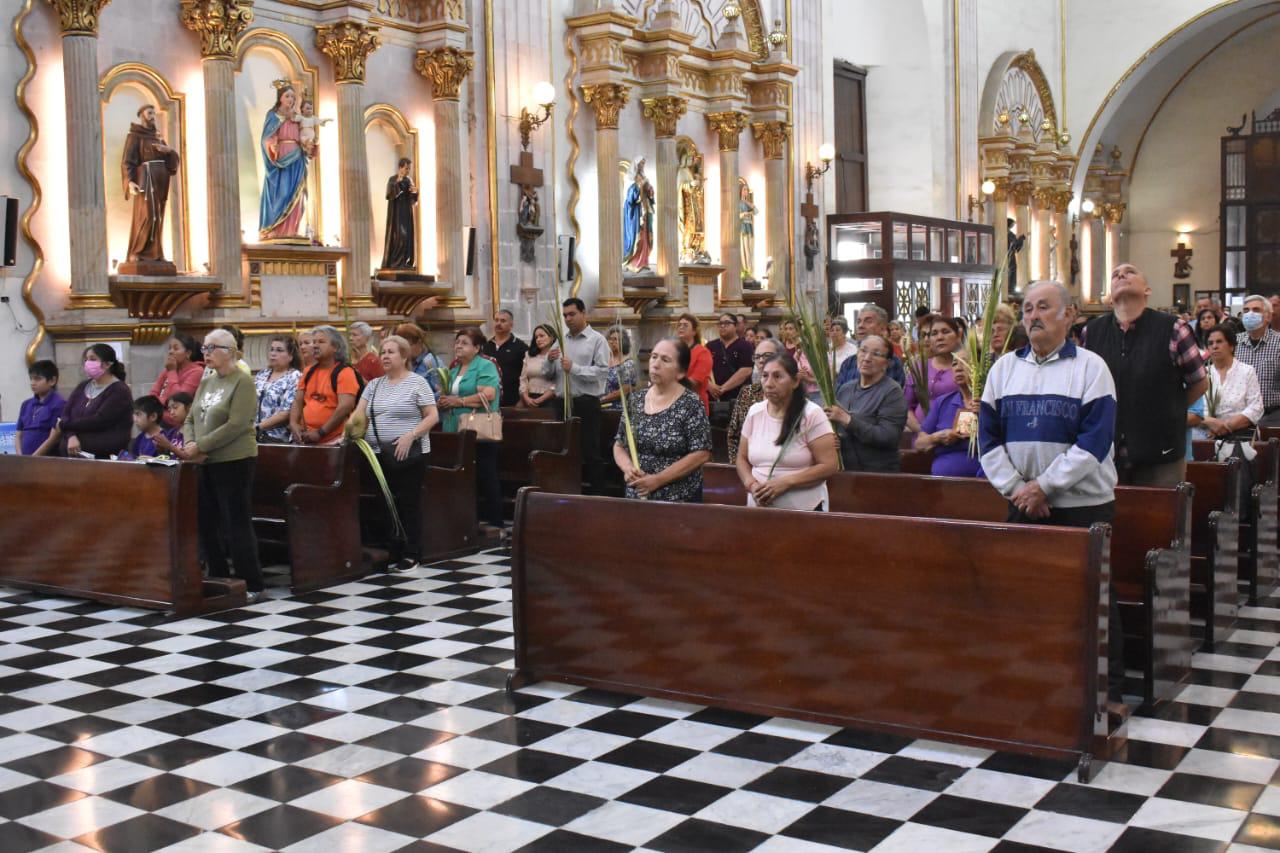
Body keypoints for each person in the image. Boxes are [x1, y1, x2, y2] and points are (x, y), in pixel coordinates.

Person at [980, 280, 1121, 704]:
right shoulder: (1004, 369)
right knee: (1023, 596)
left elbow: (1094, 442)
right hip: (1023, 504)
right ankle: (1032, 682)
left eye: (1044, 307)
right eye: (1027, 309)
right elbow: (987, 441)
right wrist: (1018, 489)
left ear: (1070, 315)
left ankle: (1106, 690)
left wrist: (1045, 486)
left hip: (1082, 505)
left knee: (1092, 598)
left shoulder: (1091, 368)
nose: (1033, 316)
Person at [1083, 264, 1207, 486]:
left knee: (1161, 517)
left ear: (1147, 290)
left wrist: (1171, 409)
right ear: (1110, 296)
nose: (1121, 275)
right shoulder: (1091, 333)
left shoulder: (1174, 328)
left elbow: (1200, 382)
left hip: (1160, 450)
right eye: (1115, 274)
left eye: (1130, 272)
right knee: (1108, 518)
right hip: (1105, 450)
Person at [178, 329, 264, 602]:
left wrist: (201, 446)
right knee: (206, 521)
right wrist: (192, 445)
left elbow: (238, 424)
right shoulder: (208, 379)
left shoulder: (243, 381)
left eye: (211, 348)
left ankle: (251, 582)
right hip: (204, 461)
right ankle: (218, 576)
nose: (205, 353)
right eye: (204, 348)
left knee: (235, 522)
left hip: (235, 460)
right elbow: (190, 418)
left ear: (228, 351)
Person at [354, 335, 439, 572]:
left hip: (410, 452)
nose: (385, 356)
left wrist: (411, 435)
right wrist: (348, 434)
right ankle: (394, 548)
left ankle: (413, 552)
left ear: (404, 356)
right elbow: (359, 416)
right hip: (380, 453)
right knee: (387, 503)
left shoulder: (417, 383)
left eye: (391, 352)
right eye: (383, 352)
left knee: (407, 502)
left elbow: (432, 416)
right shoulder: (374, 385)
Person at [613, 338, 712, 502]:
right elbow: (619, 444)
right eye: (654, 357)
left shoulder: (690, 403)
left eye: (665, 360)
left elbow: (701, 453)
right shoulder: (636, 400)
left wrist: (657, 480)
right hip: (637, 494)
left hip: (677, 498)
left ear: (680, 372)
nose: (656, 364)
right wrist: (628, 469)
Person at [737, 353, 839, 510]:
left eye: (778, 377)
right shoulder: (754, 412)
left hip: (804, 510)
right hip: (758, 510)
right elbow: (742, 459)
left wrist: (786, 482)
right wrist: (751, 484)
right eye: (765, 376)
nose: (769, 384)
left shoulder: (812, 414)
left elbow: (830, 465)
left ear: (796, 381)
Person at [439, 327, 504, 531]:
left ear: (477, 348)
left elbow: (489, 395)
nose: (458, 346)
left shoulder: (485, 366)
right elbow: (448, 395)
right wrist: (443, 401)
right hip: (454, 427)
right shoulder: (453, 370)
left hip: (478, 429)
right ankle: (467, 518)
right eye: (457, 342)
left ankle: (495, 521)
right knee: (462, 474)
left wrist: (458, 401)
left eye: (464, 343)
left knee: (485, 473)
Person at [543, 298, 610, 491]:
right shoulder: (560, 340)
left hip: (586, 403)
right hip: (561, 403)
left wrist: (575, 368)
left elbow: (602, 372)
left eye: (572, 314)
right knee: (564, 451)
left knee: (591, 452)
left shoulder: (597, 340)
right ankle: (569, 493)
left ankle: (598, 498)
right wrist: (548, 361)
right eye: (564, 315)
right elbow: (549, 375)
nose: (568, 319)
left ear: (583, 313)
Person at [826, 335, 909, 472]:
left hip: (878, 474)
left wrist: (847, 419)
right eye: (863, 351)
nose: (867, 358)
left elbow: (888, 437)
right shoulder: (845, 389)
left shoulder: (892, 392)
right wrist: (833, 438)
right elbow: (839, 430)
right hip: (846, 471)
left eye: (876, 354)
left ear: (886, 363)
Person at [58, 344, 132, 458]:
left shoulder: (119, 390)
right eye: (86, 359)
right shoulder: (83, 386)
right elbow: (66, 414)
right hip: (72, 454)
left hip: (103, 456)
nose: (87, 363)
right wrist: (71, 436)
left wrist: (65, 425)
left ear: (107, 364)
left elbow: (100, 420)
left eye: (92, 359)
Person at [290, 325, 360, 445]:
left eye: (321, 342)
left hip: (333, 441)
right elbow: (298, 400)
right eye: (314, 342)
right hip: (306, 439)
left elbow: (345, 407)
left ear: (336, 347)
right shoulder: (308, 371)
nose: (315, 345)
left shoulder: (345, 372)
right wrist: (293, 423)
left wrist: (320, 432)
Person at [915, 360, 983, 477]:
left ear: (979, 368)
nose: (958, 368)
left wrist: (986, 414)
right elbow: (919, 444)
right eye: (955, 364)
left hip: (983, 479)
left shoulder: (989, 401)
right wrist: (936, 438)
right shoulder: (943, 402)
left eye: (964, 362)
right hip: (944, 480)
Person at [1201, 324, 1263, 443]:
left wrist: (1226, 426)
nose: (1214, 346)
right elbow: (1190, 410)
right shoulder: (1203, 374)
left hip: (1240, 437)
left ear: (1231, 346)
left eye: (1219, 341)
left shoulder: (1247, 371)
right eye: (1210, 343)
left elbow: (1256, 407)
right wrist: (1208, 421)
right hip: (1205, 436)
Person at [904, 315, 962, 431]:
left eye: (945, 332)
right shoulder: (919, 367)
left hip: (955, 438)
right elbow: (906, 406)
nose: (940, 337)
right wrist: (920, 430)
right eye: (934, 334)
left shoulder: (966, 367)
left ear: (958, 336)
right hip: (921, 438)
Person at [727, 338, 780, 461]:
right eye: (757, 357)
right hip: (747, 468)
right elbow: (733, 434)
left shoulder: (791, 391)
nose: (761, 360)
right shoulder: (747, 392)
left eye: (767, 355)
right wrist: (737, 466)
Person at [1234, 294, 1280, 429]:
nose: (1250, 314)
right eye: (1246, 310)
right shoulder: (1234, 342)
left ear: (1268, 317)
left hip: (1272, 415)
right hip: (1239, 414)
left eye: (1256, 310)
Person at [835, 304, 906, 389]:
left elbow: (886, 396)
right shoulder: (848, 363)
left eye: (868, 321)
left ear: (883, 328)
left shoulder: (890, 362)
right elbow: (838, 395)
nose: (861, 326)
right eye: (858, 321)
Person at [796, 317, 857, 403]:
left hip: (840, 388)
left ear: (844, 333)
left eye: (837, 330)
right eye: (832, 330)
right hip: (805, 393)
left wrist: (808, 379)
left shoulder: (853, 349)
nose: (834, 332)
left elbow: (830, 376)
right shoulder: (827, 348)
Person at [706, 312, 754, 420]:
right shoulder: (710, 346)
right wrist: (709, 385)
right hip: (713, 400)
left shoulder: (745, 345)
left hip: (737, 398)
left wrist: (722, 389)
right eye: (720, 323)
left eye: (727, 323)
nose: (722, 326)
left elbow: (746, 370)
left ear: (736, 326)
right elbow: (703, 370)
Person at [254, 335, 302, 443]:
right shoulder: (262, 374)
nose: (273, 353)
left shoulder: (295, 376)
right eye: (271, 349)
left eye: (279, 350)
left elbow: (286, 413)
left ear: (291, 356)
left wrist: (258, 427)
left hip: (277, 438)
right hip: (253, 436)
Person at [149, 334, 203, 426]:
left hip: (180, 424)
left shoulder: (197, 371)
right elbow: (152, 396)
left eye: (176, 348)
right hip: (161, 419)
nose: (170, 352)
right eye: (169, 348)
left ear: (188, 353)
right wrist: (163, 401)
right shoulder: (168, 370)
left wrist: (172, 372)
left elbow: (179, 400)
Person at [17, 360, 64, 456]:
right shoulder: (26, 404)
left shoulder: (59, 404)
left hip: (46, 459)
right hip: (25, 459)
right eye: (31, 379)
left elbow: (54, 437)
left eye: (37, 379)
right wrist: (20, 456)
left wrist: (34, 457)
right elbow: (19, 434)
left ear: (52, 381)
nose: (32, 383)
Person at [482, 309, 528, 407]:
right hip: (488, 400)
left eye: (503, 321)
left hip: (512, 400)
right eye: (496, 320)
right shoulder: (486, 346)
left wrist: (522, 399)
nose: (498, 323)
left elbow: (526, 375)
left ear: (511, 325)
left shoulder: (520, 347)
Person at [381, 158, 419, 270]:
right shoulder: (392, 179)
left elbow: (413, 201)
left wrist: (415, 193)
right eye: (406, 168)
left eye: (409, 169)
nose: (408, 171)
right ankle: (395, 262)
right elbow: (389, 194)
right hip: (396, 215)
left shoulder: (409, 180)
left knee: (407, 237)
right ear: (400, 167)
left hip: (406, 213)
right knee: (399, 236)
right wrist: (398, 184)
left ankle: (406, 262)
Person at [675, 312, 712, 413]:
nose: (681, 327)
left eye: (685, 325)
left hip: (695, 405)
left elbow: (694, 383)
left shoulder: (703, 352)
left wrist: (669, 382)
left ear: (694, 331)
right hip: (674, 404)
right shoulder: (674, 350)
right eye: (679, 325)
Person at [395, 322, 445, 396]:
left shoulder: (431, 362)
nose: (403, 350)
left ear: (419, 342)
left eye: (407, 345)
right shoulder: (402, 363)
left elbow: (442, 394)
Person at [519, 324, 558, 409]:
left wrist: (541, 399)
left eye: (542, 336)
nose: (538, 339)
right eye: (536, 337)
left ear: (552, 337)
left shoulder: (557, 355)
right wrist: (526, 397)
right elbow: (523, 379)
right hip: (529, 399)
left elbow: (559, 382)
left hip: (550, 400)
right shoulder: (529, 355)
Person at [601, 327, 638, 411]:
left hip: (618, 410)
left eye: (615, 339)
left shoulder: (628, 364)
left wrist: (602, 399)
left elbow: (625, 389)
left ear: (623, 342)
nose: (611, 342)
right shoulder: (602, 361)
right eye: (609, 339)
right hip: (600, 409)